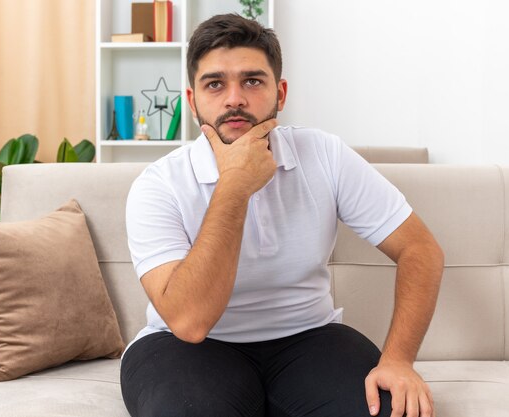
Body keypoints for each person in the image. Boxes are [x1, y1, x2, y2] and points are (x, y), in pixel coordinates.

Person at [121, 13, 444, 417]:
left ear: (281, 93)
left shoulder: (325, 154)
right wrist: (235, 186)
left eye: (253, 81)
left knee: (396, 410)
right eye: (215, 84)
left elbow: (420, 249)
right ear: (192, 101)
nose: (234, 98)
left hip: (309, 338)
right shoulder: (159, 184)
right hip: (184, 346)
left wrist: (398, 360)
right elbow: (189, 321)